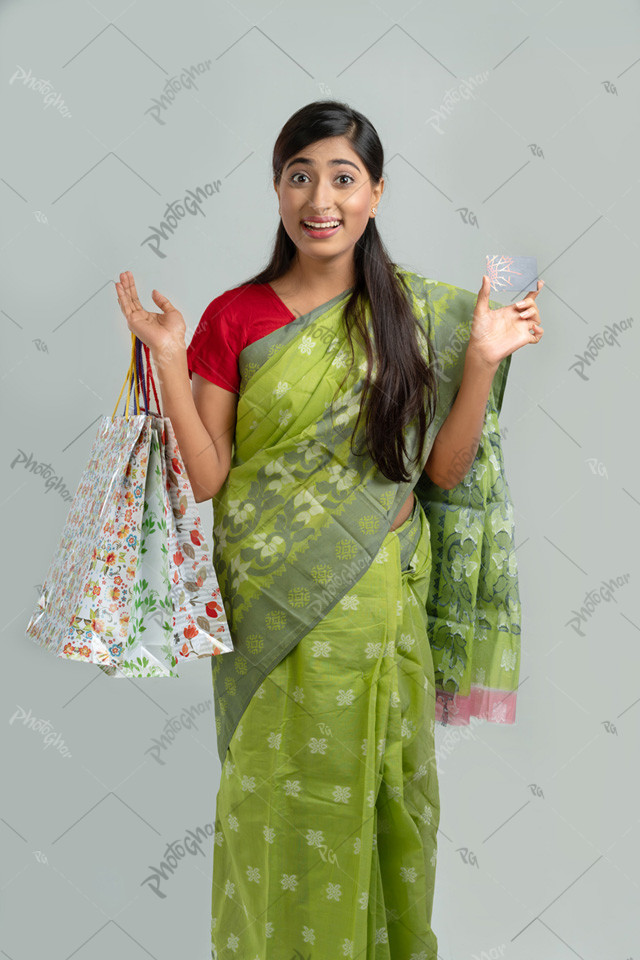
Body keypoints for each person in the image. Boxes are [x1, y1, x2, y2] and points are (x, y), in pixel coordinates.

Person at [115, 99, 543, 960]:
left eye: (343, 178)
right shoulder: (235, 319)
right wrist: (165, 359)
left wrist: (484, 362)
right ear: (277, 189)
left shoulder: (416, 317)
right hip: (266, 609)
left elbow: (444, 473)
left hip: (380, 606)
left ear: (375, 193)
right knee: (272, 804)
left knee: (385, 801)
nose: (322, 197)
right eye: (301, 175)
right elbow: (206, 477)